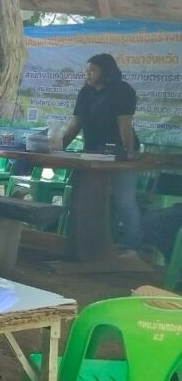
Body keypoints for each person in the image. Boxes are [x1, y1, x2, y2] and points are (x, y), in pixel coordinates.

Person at [61, 53, 143, 251]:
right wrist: (58, 146)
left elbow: (125, 124)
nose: (88, 74)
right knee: (86, 197)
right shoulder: (85, 92)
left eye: (93, 70)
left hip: (119, 151)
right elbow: (75, 124)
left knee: (124, 200)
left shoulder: (123, 91)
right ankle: (87, 244)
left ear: (106, 72)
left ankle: (133, 247)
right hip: (92, 152)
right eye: (87, 70)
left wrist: (129, 151)